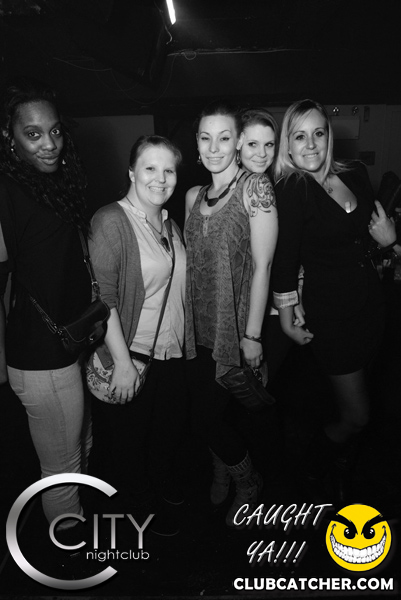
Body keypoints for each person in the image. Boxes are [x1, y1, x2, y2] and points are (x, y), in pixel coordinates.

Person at [272, 98, 389, 500]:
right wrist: (287, 314)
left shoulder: (354, 172)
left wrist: (389, 241)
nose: (310, 145)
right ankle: (312, 465)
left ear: (329, 136)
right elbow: (284, 259)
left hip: (371, 304)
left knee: (364, 396)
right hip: (332, 316)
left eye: (318, 133)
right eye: (299, 136)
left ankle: (342, 466)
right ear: (288, 145)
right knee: (357, 415)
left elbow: (370, 234)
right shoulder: (292, 188)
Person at [0, 79, 92, 543]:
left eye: (54, 131)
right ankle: (68, 548)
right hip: (40, 356)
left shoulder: (53, 185)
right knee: (62, 467)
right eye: (33, 134)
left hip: (67, 343)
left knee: (81, 446)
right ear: (10, 138)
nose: (49, 143)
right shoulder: (6, 191)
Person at [184, 100, 278, 526]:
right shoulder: (192, 196)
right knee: (208, 416)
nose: (214, 148)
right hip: (194, 330)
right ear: (197, 143)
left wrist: (252, 335)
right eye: (206, 138)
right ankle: (222, 467)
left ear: (239, 142)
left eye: (224, 138)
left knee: (205, 418)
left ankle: (248, 479)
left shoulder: (254, 187)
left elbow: (263, 266)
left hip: (233, 330)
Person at [88, 135, 187, 535]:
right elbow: (103, 298)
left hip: (170, 354)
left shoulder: (169, 223)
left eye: (169, 170)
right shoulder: (111, 220)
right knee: (127, 446)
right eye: (150, 168)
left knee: (162, 436)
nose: (160, 178)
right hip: (131, 353)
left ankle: (153, 493)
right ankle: (137, 514)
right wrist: (122, 363)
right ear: (131, 172)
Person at [238, 107, 304, 385]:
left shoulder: (274, 186)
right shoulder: (232, 188)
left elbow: (290, 252)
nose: (262, 153)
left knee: (259, 388)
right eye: (253, 144)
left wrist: (294, 297)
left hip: (273, 311)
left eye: (269, 144)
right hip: (242, 310)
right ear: (238, 143)